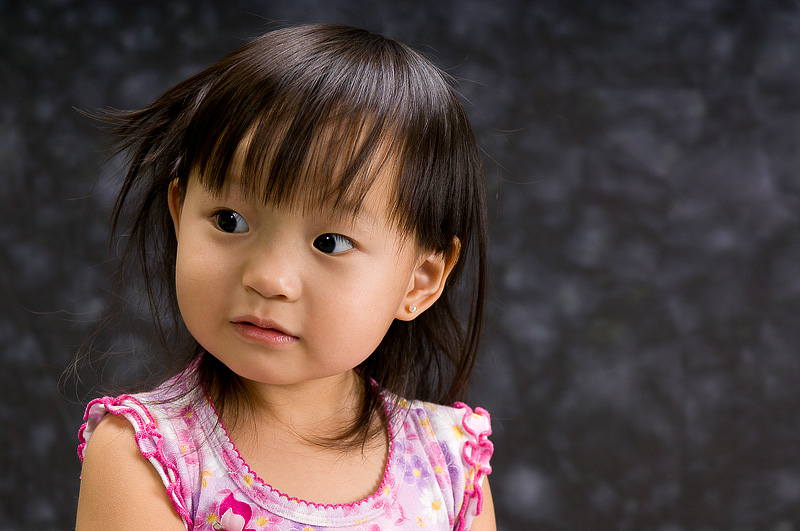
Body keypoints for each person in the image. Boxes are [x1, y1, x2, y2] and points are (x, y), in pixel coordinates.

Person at [74, 23, 495, 531]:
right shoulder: (148, 455)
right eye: (230, 220)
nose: (269, 278)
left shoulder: (450, 463)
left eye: (330, 243)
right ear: (180, 213)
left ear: (419, 282)